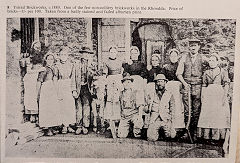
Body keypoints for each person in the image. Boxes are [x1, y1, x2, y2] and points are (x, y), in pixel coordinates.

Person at [176, 38, 206, 142]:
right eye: (191, 45)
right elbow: (178, 74)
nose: (193, 47)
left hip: (198, 87)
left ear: (199, 47)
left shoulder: (203, 58)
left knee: (196, 110)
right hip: (187, 86)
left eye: (195, 45)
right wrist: (184, 83)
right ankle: (186, 132)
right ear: (189, 47)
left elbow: (208, 71)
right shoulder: (184, 57)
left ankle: (195, 133)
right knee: (187, 110)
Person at [197, 53, 230, 144]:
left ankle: (218, 138)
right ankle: (206, 137)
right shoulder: (206, 72)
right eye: (210, 60)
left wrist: (224, 96)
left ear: (217, 61)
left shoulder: (222, 71)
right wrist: (202, 97)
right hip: (209, 95)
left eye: (213, 60)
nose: (211, 62)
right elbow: (204, 85)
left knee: (218, 115)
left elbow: (226, 84)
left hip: (219, 94)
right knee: (208, 115)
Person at [146, 74, 185, 141]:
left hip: (165, 118)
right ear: (155, 83)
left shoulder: (169, 94)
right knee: (151, 138)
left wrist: (171, 120)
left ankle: (164, 133)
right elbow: (146, 107)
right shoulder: (151, 94)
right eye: (158, 82)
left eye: (161, 81)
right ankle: (157, 133)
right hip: (155, 119)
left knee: (171, 136)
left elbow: (172, 108)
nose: (159, 83)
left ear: (165, 82)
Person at [71, 47, 94, 135]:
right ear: (81, 54)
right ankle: (79, 126)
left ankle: (86, 126)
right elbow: (73, 77)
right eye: (84, 53)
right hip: (78, 87)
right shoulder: (76, 64)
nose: (85, 55)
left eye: (87, 53)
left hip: (87, 88)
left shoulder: (92, 64)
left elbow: (94, 77)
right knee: (78, 107)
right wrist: (73, 89)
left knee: (86, 106)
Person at [37, 53, 61, 136]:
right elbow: (39, 81)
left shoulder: (54, 69)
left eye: (52, 59)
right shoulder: (44, 69)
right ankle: (47, 129)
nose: (50, 61)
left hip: (52, 89)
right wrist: (38, 93)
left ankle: (52, 127)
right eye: (48, 59)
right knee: (46, 109)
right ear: (46, 60)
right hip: (46, 89)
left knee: (53, 108)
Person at [103, 46, 124, 138]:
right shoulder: (106, 62)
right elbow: (105, 74)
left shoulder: (120, 61)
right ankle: (109, 123)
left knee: (118, 100)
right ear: (109, 53)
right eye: (111, 52)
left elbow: (122, 72)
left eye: (114, 52)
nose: (113, 53)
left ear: (117, 53)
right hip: (110, 81)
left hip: (119, 81)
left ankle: (118, 122)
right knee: (110, 100)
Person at [56, 47, 76, 134]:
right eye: (61, 54)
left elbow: (73, 78)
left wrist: (73, 89)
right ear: (59, 56)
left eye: (65, 54)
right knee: (61, 106)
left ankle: (68, 125)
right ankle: (63, 126)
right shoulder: (56, 65)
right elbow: (55, 78)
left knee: (69, 106)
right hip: (60, 85)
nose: (63, 56)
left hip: (68, 85)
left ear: (67, 56)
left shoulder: (71, 65)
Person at [118, 74, 143, 138]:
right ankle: (128, 130)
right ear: (122, 84)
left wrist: (140, 117)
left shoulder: (136, 92)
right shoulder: (120, 93)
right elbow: (119, 106)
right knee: (121, 136)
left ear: (131, 83)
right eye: (124, 82)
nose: (126, 84)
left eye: (128, 82)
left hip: (134, 114)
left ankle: (136, 131)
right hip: (125, 116)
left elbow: (140, 106)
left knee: (137, 133)